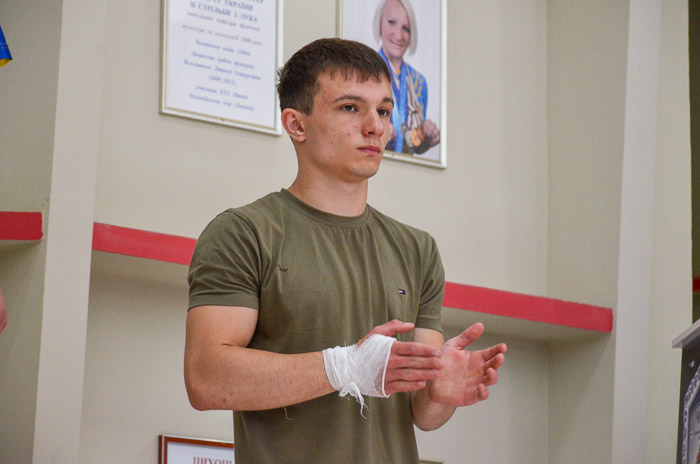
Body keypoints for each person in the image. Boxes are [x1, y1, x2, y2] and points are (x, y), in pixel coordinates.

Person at [184, 38, 506, 463]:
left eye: (384, 111)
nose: (375, 126)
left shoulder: (418, 249)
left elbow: (422, 414)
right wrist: (344, 368)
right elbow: (206, 379)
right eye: (351, 108)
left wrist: (438, 391)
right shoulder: (243, 233)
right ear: (297, 124)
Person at [374, 0, 440, 155]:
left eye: (406, 29)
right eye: (391, 22)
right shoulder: (365, 72)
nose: (398, 35)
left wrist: (427, 139)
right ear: (379, 24)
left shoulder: (419, 82)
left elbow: (414, 144)